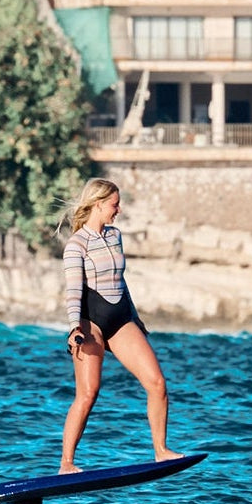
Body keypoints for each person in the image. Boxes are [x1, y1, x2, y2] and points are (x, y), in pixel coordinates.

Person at [58, 178, 183, 474]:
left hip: (121, 319)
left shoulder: (115, 235)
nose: (119, 210)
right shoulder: (76, 245)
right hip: (90, 324)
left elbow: (120, 281)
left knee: (157, 384)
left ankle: (161, 451)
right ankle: (66, 463)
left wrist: (135, 316)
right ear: (98, 204)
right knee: (88, 393)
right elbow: (73, 290)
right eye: (115, 204)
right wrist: (75, 328)